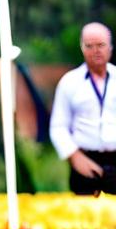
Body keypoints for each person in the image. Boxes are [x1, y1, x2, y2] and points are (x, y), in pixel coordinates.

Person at [50, 22, 116, 195]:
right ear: (82, 48)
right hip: (84, 162)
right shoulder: (69, 82)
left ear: (110, 46)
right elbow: (58, 127)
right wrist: (74, 157)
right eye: (89, 46)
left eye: (101, 45)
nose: (96, 50)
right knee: (82, 218)